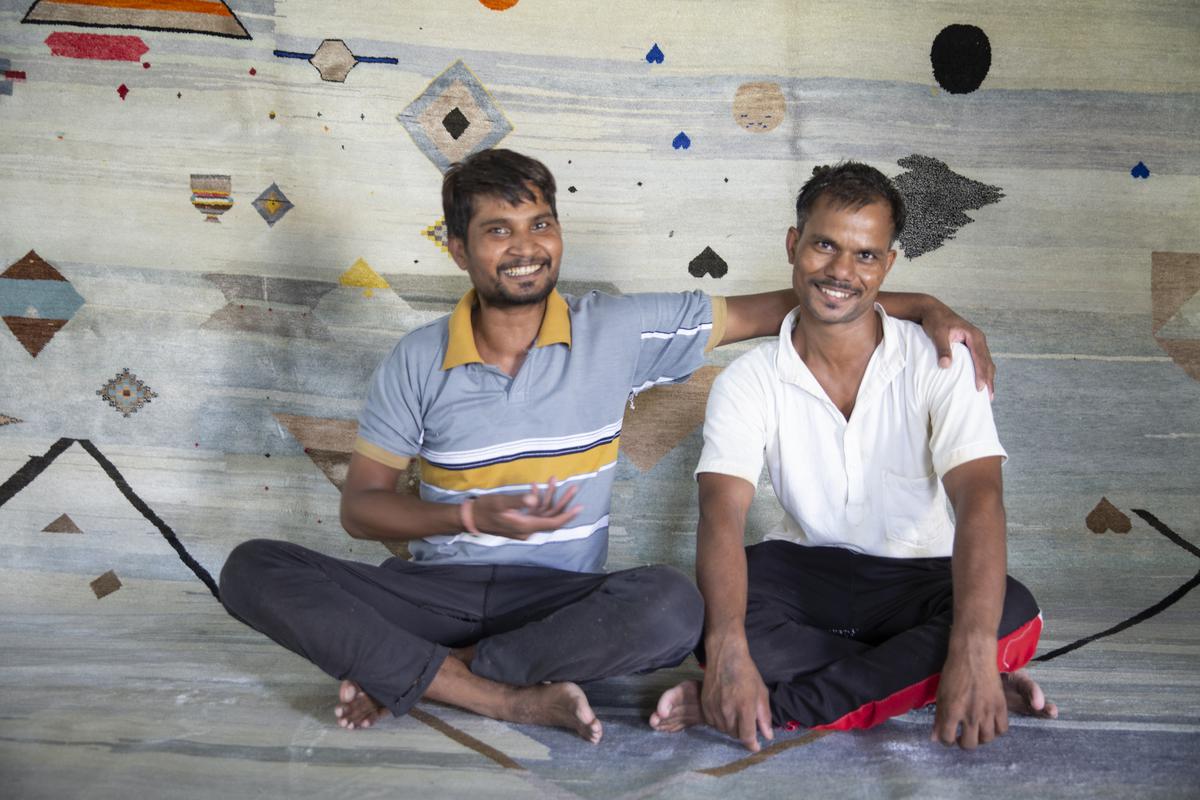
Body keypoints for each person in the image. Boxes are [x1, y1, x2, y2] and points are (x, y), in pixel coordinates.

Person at [218, 149, 994, 745]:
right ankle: (497, 695)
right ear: (458, 248)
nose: (525, 248)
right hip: (435, 597)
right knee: (252, 567)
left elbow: (808, 300)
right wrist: (465, 518)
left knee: (669, 604)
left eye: (540, 225)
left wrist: (922, 305)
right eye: (498, 230)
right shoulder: (416, 359)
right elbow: (360, 511)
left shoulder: (616, 329)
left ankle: (413, 680)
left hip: (560, 603)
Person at [650, 161, 1056, 751]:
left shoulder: (941, 359)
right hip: (807, 577)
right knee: (709, 618)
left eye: (865, 255)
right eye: (824, 245)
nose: (842, 270)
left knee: (1012, 613)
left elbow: (980, 499)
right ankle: (930, 680)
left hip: (921, 580)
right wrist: (730, 653)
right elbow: (721, 515)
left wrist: (971, 643)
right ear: (794, 245)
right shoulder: (748, 380)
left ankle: (783, 706)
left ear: (888, 264)